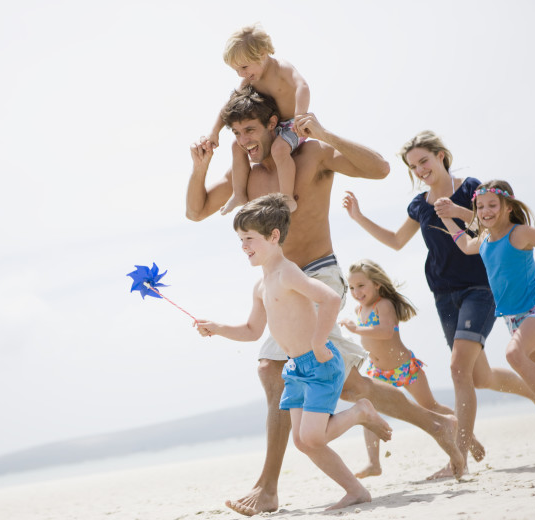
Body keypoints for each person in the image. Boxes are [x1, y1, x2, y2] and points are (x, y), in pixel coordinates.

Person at [186, 88, 465, 516]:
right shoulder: (246, 176)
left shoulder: (311, 154)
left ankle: (268, 487)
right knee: (348, 384)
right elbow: (195, 210)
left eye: (251, 130)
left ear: (271, 125)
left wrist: (325, 132)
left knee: (272, 370)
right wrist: (200, 168)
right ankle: (438, 424)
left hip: (317, 273)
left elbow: (380, 168)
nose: (244, 140)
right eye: (237, 133)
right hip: (279, 285)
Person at [342, 130, 535, 479]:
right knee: (478, 375)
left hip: (480, 287)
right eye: (413, 166)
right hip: (443, 293)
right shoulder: (419, 204)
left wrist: (458, 211)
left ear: (441, 155)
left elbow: (493, 224)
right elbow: (395, 241)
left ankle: (459, 458)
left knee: (456, 369)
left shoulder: (471, 188)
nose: (420, 169)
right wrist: (359, 217)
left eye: (424, 160)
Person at [195, 194, 392, 511]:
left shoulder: (288, 273)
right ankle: (355, 490)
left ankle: (361, 412)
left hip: (319, 363)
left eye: (249, 239)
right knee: (303, 441)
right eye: (240, 240)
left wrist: (317, 342)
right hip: (295, 370)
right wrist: (217, 328)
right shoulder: (261, 286)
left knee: (312, 438)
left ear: (273, 237)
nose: (244, 246)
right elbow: (252, 331)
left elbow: (328, 298)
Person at [440, 180, 535, 447]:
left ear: (508, 206)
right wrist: (448, 219)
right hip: (516, 320)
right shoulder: (486, 240)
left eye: (492, 205)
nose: (486, 211)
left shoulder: (520, 233)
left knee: (513, 354)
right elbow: (466, 245)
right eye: (480, 206)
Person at [338, 259, 484, 478]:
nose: (356, 292)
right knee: (368, 410)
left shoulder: (383, 304)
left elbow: (386, 332)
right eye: (351, 288)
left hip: (405, 367)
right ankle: (374, 463)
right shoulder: (360, 308)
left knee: (430, 405)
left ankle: (468, 438)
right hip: (379, 371)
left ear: (377, 284)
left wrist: (356, 328)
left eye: (361, 285)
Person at [207, 24, 310, 216]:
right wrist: (214, 132)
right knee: (236, 146)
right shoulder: (250, 80)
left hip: (292, 125)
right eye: (236, 70)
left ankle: (287, 197)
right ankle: (239, 194)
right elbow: (229, 105)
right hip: (271, 125)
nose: (241, 74)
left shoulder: (282, 68)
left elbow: (302, 87)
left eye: (244, 67)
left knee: (279, 149)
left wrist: (301, 116)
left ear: (262, 54)